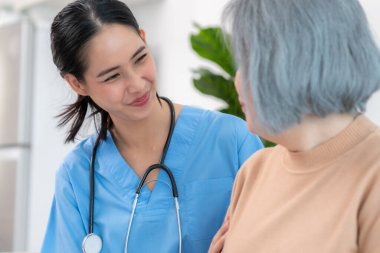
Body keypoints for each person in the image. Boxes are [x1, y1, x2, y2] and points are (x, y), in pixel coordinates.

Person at [41, 0, 263, 252]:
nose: (137, 84)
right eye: (113, 76)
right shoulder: (77, 176)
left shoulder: (232, 140)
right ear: (77, 84)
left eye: (140, 58)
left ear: (144, 39)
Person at [209, 0, 380, 252]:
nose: (238, 79)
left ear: (297, 64)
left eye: (251, 63)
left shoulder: (372, 177)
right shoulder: (254, 171)